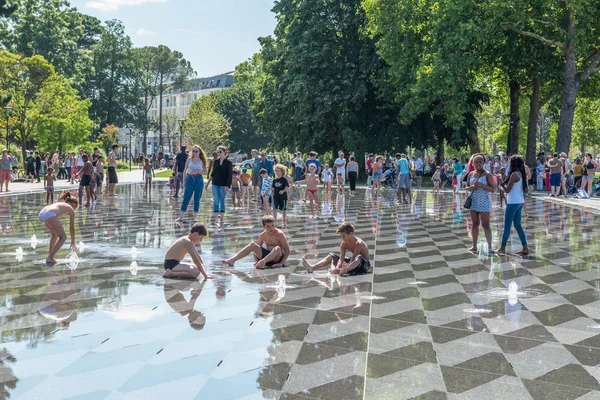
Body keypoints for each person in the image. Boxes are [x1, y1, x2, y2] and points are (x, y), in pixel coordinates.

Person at [301, 221, 370, 275]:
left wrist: (345, 267)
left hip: (364, 265)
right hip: (353, 265)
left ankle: (345, 270)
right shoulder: (344, 244)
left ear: (351, 234)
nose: (342, 238)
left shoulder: (359, 243)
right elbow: (341, 258)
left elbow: (353, 258)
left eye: (344, 236)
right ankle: (312, 268)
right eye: (341, 236)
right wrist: (337, 267)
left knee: (358, 257)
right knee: (331, 255)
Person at [221, 215, 290, 268]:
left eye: (273, 225)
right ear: (263, 226)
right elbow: (256, 249)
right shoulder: (263, 235)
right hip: (265, 257)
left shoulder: (279, 234)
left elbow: (287, 250)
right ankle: (232, 260)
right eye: (268, 226)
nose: (271, 228)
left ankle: (263, 262)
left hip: (276, 258)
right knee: (252, 245)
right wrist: (256, 261)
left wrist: (281, 263)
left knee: (277, 248)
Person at [497, 155, 530, 256]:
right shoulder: (521, 174)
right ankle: (525, 247)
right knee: (518, 225)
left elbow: (507, 190)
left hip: (512, 203)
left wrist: (500, 184)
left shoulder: (514, 175)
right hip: (520, 202)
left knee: (507, 226)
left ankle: (502, 248)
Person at [465, 154, 495, 255]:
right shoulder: (471, 174)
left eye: (480, 162)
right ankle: (474, 246)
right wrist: (472, 187)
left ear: (483, 163)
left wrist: (482, 185)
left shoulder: (487, 174)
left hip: (484, 201)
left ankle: (490, 247)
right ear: (473, 163)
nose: (478, 164)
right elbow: (467, 187)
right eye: (476, 162)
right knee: (474, 224)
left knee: (486, 224)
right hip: (473, 201)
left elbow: (493, 189)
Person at [39, 191, 78, 265]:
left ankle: (50, 256)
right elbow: (72, 228)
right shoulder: (71, 209)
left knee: (55, 234)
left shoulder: (61, 204)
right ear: (73, 204)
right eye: (75, 208)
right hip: (49, 214)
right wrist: (72, 242)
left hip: (42, 213)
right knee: (63, 237)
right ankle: (50, 258)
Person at [177, 145, 208, 223]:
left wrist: (198, 172)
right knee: (186, 197)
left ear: (200, 152)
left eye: (196, 151)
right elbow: (185, 170)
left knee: (197, 198)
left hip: (198, 179)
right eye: (193, 151)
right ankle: (181, 216)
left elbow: (206, 172)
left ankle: (195, 217)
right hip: (189, 178)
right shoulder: (189, 159)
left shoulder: (202, 160)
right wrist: (184, 181)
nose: (195, 153)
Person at [208, 145, 232, 226]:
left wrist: (228, 185)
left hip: (223, 185)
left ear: (225, 153)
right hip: (215, 183)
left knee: (222, 200)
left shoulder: (229, 163)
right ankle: (216, 218)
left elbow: (230, 175)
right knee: (216, 200)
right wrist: (208, 183)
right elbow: (213, 172)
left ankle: (221, 218)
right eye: (218, 152)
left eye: (220, 152)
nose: (219, 153)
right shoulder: (216, 162)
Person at [272, 164, 290, 228]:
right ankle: (274, 223)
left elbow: (287, 187)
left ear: (282, 172)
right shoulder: (274, 180)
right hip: (275, 197)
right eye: (276, 171)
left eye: (279, 171)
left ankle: (284, 222)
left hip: (283, 197)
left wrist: (283, 191)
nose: (277, 172)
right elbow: (273, 188)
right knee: (274, 209)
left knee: (283, 210)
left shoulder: (284, 179)